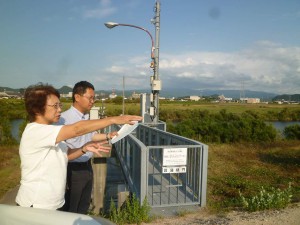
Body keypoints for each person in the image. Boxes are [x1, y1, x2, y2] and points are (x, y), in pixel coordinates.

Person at [15, 83, 142, 210]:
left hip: (54, 203)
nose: (59, 109)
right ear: (37, 109)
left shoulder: (51, 130)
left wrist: (84, 148)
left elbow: (66, 156)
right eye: (55, 106)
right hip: (36, 204)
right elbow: (77, 129)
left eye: (60, 105)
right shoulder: (36, 131)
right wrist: (113, 120)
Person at [59, 81, 116, 214]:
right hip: (72, 169)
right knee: (70, 209)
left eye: (93, 98)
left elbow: (92, 136)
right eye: (90, 98)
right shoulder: (64, 119)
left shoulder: (85, 116)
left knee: (83, 206)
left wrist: (108, 135)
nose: (93, 101)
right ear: (77, 97)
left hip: (87, 166)